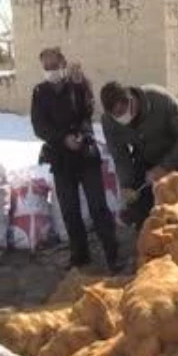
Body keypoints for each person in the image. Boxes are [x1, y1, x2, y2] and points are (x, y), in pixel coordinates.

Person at [31, 47, 120, 271]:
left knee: (98, 207)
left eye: (54, 66)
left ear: (63, 63)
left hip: (85, 154)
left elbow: (87, 112)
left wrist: (81, 85)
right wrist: (63, 139)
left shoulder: (77, 84)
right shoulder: (40, 92)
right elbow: (39, 127)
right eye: (46, 67)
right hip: (61, 158)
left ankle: (113, 255)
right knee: (69, 210)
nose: (51, 71)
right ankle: (79, 256)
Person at [99, 80, 178, 230]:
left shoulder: (160, 101)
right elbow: (120, 155)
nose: (122, 118)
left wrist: (164, 167)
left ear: (130, 99)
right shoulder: (109, 121)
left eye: (123, 112)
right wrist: (127, 185)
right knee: (141, 206)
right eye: (117, 115)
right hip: (148, 155)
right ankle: (152, 243)